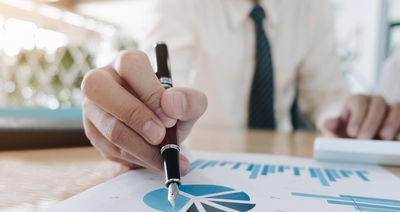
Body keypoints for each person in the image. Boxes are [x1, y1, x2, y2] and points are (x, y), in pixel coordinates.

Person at [81, 0, 400, 173]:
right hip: (204, 162)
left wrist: (348, 116)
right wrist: (137, 104)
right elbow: (163, 84)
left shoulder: (311, 7)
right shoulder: (176, 5)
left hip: (281, 167)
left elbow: (327, 95)